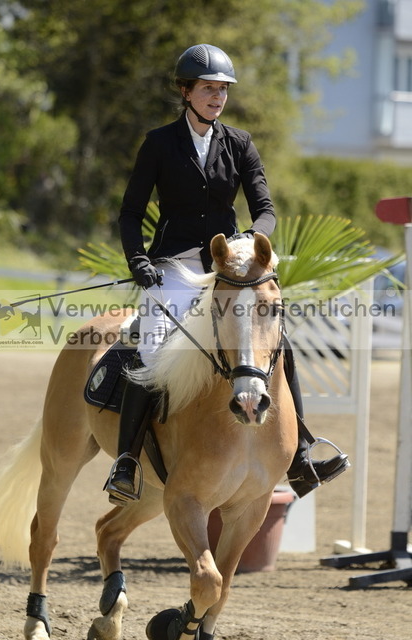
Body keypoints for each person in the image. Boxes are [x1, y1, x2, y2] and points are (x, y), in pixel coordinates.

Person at [105, 43, 349, 505]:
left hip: (229, 269)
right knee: (151, 350)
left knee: (277, 342)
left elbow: (265, 208)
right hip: (176, 267)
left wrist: (251, 241)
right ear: (186, 92)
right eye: (208, 89)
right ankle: (126, 460)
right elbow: (130, 213)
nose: (217, 97)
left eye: (223, 90)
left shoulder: (240, 143)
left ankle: (300, 455)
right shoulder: (159, 143)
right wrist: (138, 259)